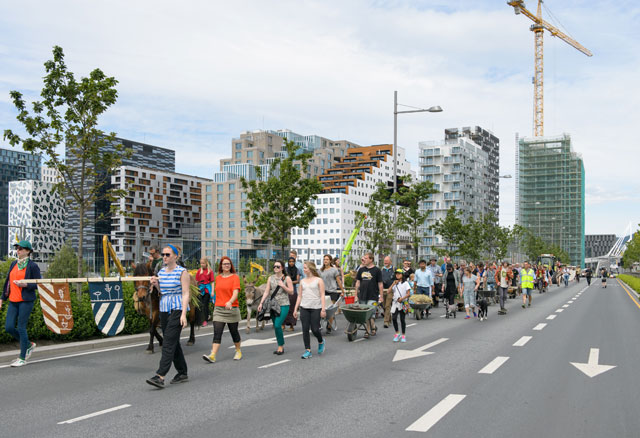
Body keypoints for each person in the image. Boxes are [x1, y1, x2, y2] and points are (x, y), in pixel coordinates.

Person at [146, 245, 190, 388]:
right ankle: (182, 372)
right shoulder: (161, 272)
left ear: (175, 256)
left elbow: (185, 293)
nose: (164, 257)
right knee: (173, 342)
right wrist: (156, 284)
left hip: (177, 308)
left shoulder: (182, 272)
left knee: (168, 342)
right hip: (165, 308)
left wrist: (184, 314)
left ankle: (160, 376)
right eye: (163, 254)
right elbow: (162, 292)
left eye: (168, 254)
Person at [1, 240, 41, 367]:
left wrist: (26, 285)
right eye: (17, 248)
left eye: (21, 249)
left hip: (26, 301)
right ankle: (28, 345)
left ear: (28, 251)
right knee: (9, 327)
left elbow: (39, 284)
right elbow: (8, 282)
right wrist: (2, 298)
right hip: (13, 300)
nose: (18, 251)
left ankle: (22, 358)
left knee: (21, 327)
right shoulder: (13, 264)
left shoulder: (33, 266)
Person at [203, 256, 242, 364]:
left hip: (232, 308)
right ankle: (213, 355)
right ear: (221, 265)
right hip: (219, 308)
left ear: (231, 266)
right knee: (217, 332)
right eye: (224, 264)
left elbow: (235, 292)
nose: (226, 265)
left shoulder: (235, 277)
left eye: (228, 264)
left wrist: (230, 301)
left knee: (234, 332)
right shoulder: (218, 278)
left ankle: (238, 351)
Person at [258, 260, 294, 355]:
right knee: (276, 326)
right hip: (273, 305)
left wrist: (283, 286)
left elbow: (291, 292)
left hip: (284, 304)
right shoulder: (270, 278)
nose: (275, 268)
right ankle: (279, 345)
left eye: (278, 266)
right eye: (274, 266)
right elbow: (266, 291)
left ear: (282, 268)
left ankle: (281, 346)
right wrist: (261, 303)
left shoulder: (287, 278)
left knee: (278, 324)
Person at [293, 261, 326, 359]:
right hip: (304, 307)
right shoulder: (302, 281)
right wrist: (295, 309)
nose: (304, 269)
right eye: (303, 268)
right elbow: (299, 296)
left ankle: (321, 341)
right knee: (305, 329)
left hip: (316, 307)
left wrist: (323, 309)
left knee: (315, 329)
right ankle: (308, 350)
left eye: (305, 268)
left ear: (310, 268)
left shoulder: (319, 280)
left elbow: (322, 295)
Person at [354, 252, 383, 338]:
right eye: (364, 258)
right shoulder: (361, 270)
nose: (364, 260)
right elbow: (358, 282)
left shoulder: (377, 270)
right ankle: (373, 327)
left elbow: (380, 284)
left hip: (373, 296)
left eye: (366, 258)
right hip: (362, 295)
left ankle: (368, 331)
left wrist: (381, 296)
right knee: (365, 314)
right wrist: (356, 295)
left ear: (371, 259)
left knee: (369, 313)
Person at [320, 254, 344, 333]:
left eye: (327, 259)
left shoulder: (334, 270)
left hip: (332, 291)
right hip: (324, 291)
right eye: (324, 259)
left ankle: (329, 326)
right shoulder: (320, 270)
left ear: (330, 261)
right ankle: (320, 323)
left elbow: (338, 281)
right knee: (323, 308)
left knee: (330, 309)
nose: (325, 261)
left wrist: (342, 290)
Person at [390, 269, 411, 342]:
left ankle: (403, 335)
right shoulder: (395, 283)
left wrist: (402, 298)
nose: (397, 275)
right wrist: (393, 284)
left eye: (399, 274)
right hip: (395, 302)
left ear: (402, 275)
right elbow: (389, 291)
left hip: (402, 303)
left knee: (402, 319)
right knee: (394, 318)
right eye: (396, 274)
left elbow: (408, 294)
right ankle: (397, 333)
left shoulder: (405, 283)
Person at [196, 258, 214, 327]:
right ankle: (203, 317)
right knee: (200, 305)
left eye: (203, 263)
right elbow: (197, 281)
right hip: (200, 289)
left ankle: (205, 320)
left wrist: (212, 291)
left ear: (206, 263)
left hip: (207, 290)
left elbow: (212, 282)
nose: (202, 264)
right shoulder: (199, 271)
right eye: (201, 263)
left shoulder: (210, 271)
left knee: (205, 304)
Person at [284, 257, 299, 331]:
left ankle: (291, 326)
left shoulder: (297, 270)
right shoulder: (286, 269)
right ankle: (283, 324)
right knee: (283, 308)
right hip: (285, 291)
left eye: (293, 261)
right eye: (290, 261)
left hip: (293, 291)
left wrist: (289, 281)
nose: (291, 263)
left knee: (292, 309)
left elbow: (297, 281)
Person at [380, 256, 395, 328]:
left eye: (387, 261)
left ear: (390, 262)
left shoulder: (394, 269)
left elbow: (396, 280)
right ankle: (389, 318)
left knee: (388, 305)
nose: (385, 262)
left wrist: (391, 287)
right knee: (384, 306)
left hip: (391, 290)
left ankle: (386, 322)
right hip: (383, 290)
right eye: (384, 260)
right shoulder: (382, 269)